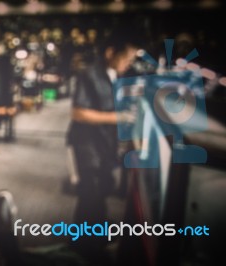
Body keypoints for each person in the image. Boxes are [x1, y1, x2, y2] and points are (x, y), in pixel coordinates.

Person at [66, 29, 140, 263]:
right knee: (92, 194)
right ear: (110, 52)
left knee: (99, 191)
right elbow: (78, 113)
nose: (129, 63)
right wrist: (120, 118)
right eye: (126, 58)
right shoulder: (89, 74)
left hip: (104, 144)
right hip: (86, 144)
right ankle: (88, 248)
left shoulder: (116, 75)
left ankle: (81, 240)